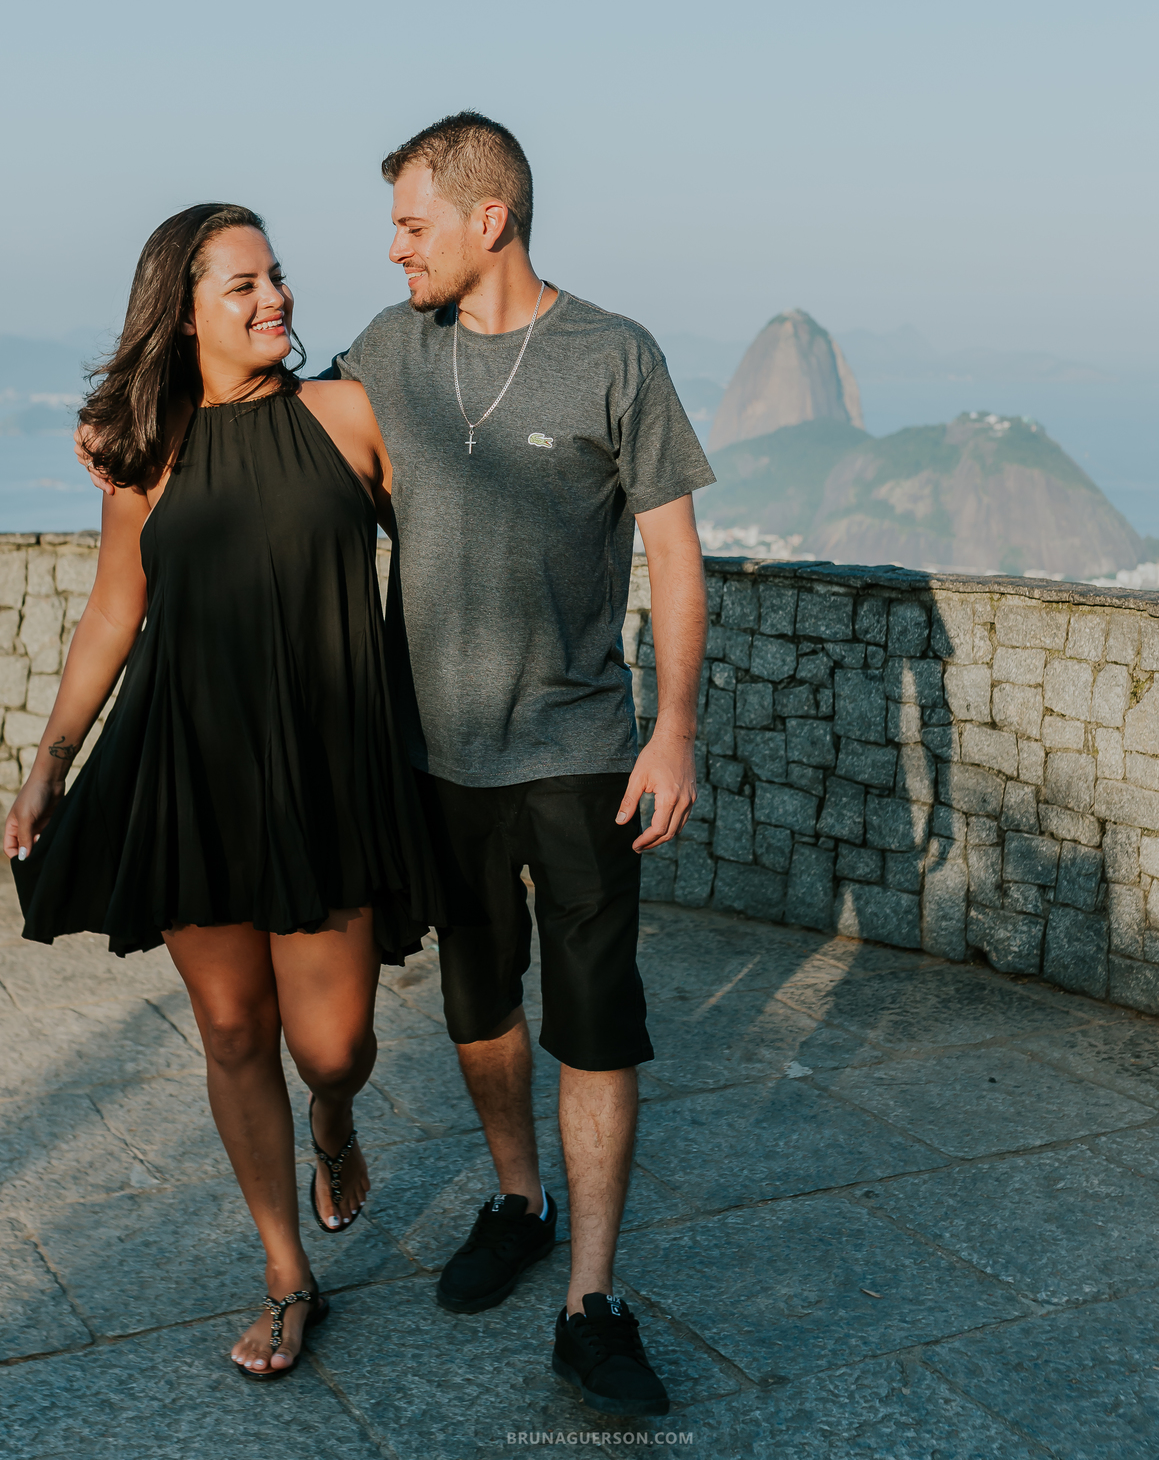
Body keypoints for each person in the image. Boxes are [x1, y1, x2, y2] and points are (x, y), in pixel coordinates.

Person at [8, 202, 448, 1380]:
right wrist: (51, 757)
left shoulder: (345, 416)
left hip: (326, 767)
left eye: (278, 278)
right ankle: (285, 1273)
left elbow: (446, 557)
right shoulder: (146, 451)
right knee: (233, 1026)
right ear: (184, 311)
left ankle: (336, 1120)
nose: (275, 300)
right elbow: (115, 607)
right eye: (242, 286)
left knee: (336, 1040)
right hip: (193, 763)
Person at [325, 112, 714, 1416]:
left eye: (411, 224)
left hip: (586, 750)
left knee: (595, 1023)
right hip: (444, 763)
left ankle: (591, 1303)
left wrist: (674, 726)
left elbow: (672, 553)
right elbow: (276, 445)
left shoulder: (615, 355)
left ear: (488, 219)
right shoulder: (389, 351)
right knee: (479, 1005)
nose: (393, 251)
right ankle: (516, 1198)